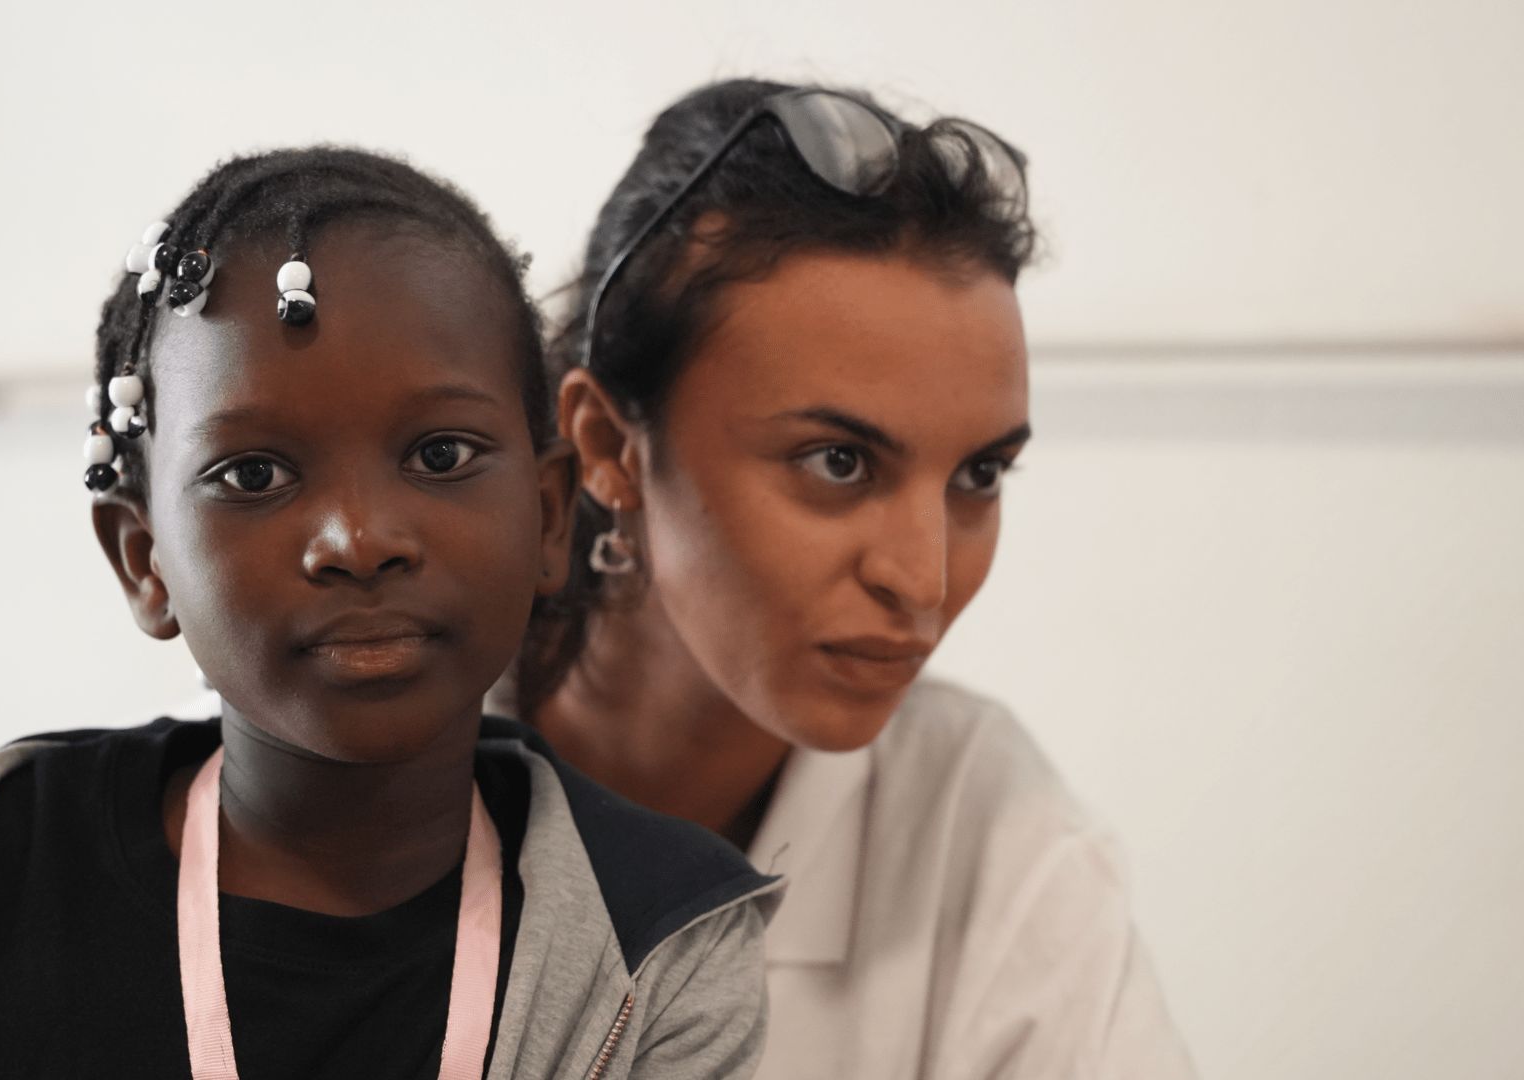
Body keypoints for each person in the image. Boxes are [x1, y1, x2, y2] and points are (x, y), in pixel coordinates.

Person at [0, 147, 778, 1080]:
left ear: (551, 515)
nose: (359, 538)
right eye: (254, 473)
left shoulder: (661, 938)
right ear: (144, 561)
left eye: (441, 455)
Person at [512, 79, 1197, 1079]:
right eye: (839, 462)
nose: (922, 580)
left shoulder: (987, 835)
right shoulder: (333, 773)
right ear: (610, 444)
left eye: (979, 474)